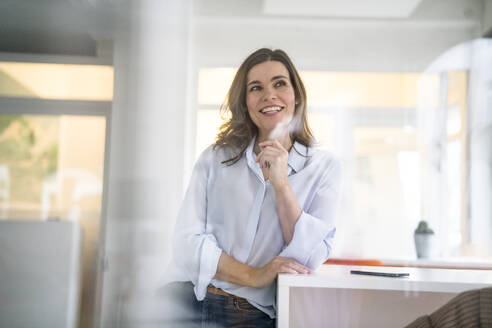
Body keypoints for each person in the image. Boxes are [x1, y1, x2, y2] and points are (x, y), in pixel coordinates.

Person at [159, 48, 342, 327]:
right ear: (245, 102)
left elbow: (308, 258)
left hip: (250, 316)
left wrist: (281, 185)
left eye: (280, 83)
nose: (269, 95)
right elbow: (185, 243)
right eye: (256, 88)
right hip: (183, 301)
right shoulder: (215, 157)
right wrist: (254, 276)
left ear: (297, 95)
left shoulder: (323, 167)